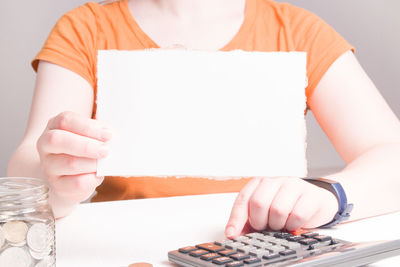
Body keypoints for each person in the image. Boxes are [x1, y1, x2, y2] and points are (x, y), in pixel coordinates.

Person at [7, 0, 400, 239]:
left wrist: (330, 194)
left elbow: (391, 154)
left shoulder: (299, 32)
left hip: (263, 250)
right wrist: (55, 178)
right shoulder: (84, 29)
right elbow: (28, 163)